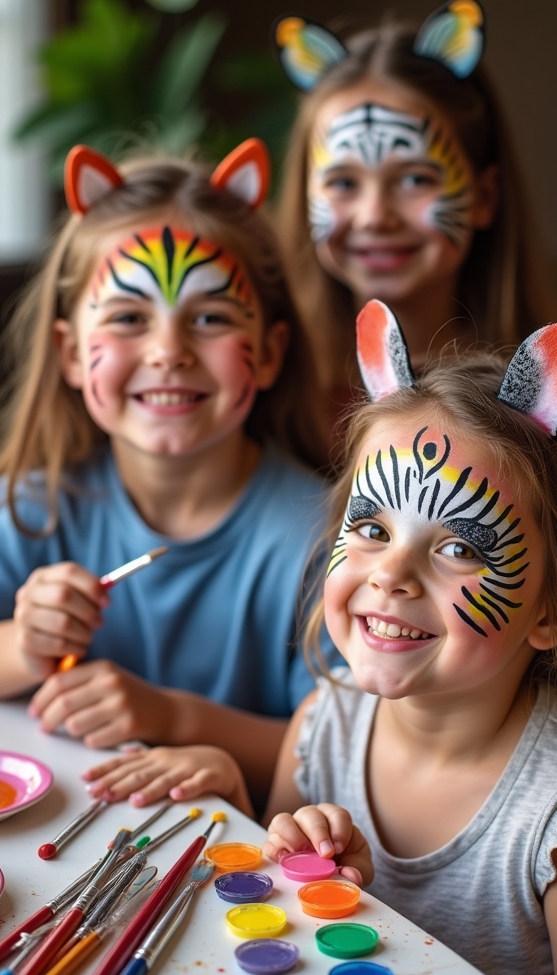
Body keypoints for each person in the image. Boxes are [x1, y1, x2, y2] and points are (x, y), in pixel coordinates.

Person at [88, 301, 557, 975]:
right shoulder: (323, 722)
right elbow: (280, 946)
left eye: (461, 547)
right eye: (373, 527)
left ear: (553, 610)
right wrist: (250, 820)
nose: (392, 574)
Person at [0, 139, 334, 804]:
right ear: (70, 353)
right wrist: (20, 648)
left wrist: (172, 720)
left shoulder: (326, 540)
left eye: (209, 318)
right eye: (128, 317)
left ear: (268, 354)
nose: (168, 351)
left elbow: (345, 752)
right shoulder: (29, 510)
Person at [271, 3, 557, 418]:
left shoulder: (544, 395)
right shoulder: (270, 388)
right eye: (344, 182)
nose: (374, 216)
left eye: (415, 180)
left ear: (484, 197)